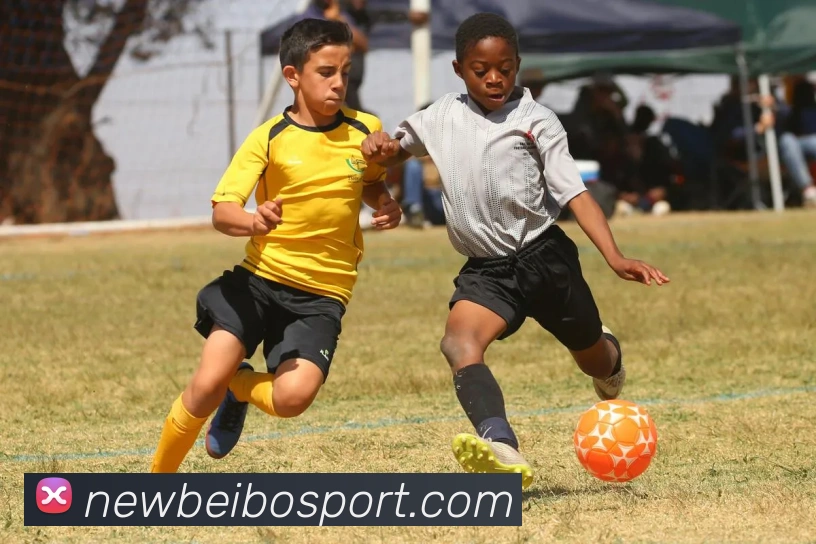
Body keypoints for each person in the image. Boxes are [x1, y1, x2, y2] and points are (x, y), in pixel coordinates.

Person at [361, 13, 669, 489]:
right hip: (488, 271)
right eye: (481, 69)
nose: (494, 78)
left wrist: (616, 257)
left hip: (544, 260)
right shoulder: (438, 116)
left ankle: (609, 355)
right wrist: (380, 147)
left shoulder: (538, 121)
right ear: (459, 69)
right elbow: (394, 152)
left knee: (595, 362)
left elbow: (576, 194)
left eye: (504, 68)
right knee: (458, 343)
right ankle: (500, 443)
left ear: (517, 66)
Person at [150, 18, 402, 473]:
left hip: (323, 295)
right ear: (293, 76)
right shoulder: (268, 138)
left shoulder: (365, 129)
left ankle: (239, 387)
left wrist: (385, 201)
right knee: (204, 387)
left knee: (291, 399)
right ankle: (154, 487)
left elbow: (369, 181)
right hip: (259, 282)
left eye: (345, 72)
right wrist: (254, 221)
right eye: (326, 72)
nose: (339, 82)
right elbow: (222, 211)